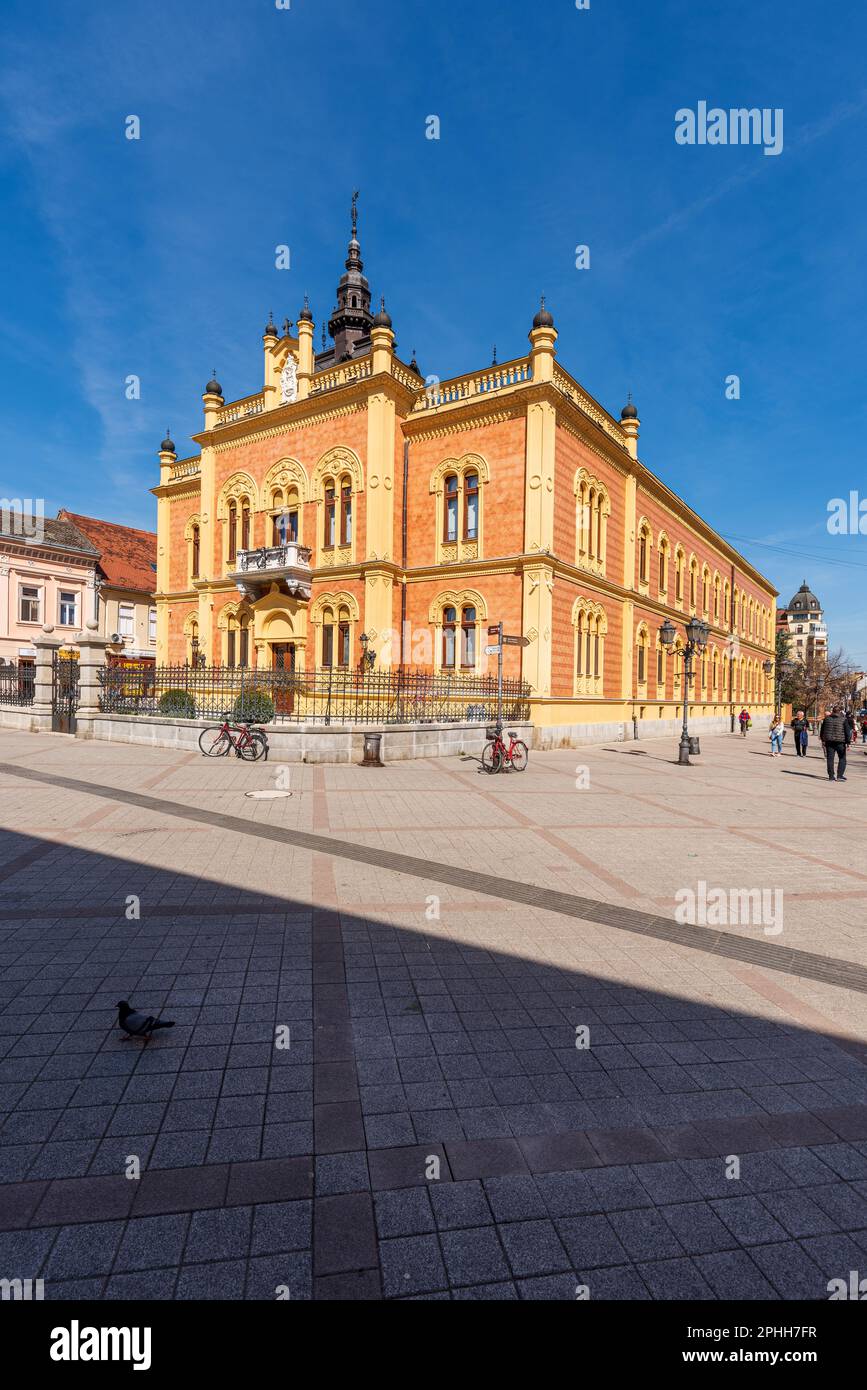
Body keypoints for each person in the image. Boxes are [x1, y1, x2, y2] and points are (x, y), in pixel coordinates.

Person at [819, 704, 848, 782]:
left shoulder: (826, 719)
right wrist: (848, 742)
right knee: (842, 758)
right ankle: (839, 776)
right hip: (840, 742)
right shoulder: (844, 719)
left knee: (830, 759)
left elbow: (822, 730)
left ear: (832, 711)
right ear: (839, 712)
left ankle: (831, 776)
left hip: (829, 741)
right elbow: (847, 732)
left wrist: (823, 739)